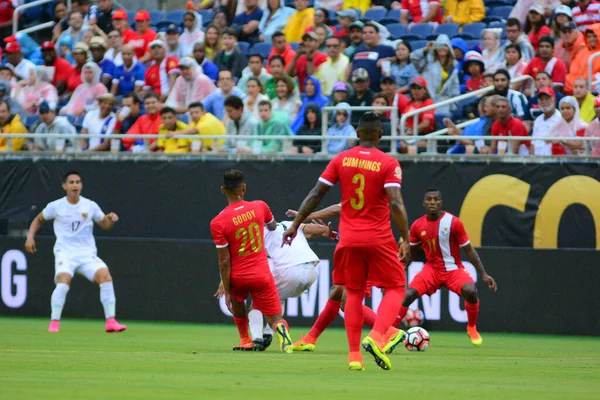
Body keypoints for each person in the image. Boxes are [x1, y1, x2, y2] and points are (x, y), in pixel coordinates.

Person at [283, 111, 411, 371]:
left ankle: (354, 356)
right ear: (381, 135)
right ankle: (378, 336)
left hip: (349, 239)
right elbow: (396, 203)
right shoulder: (388, 163)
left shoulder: (341, 159)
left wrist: (296, 225)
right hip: (378, 238)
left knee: (351, 293)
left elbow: (316, 193)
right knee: (396, 288)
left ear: (356, 133)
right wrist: (406, 238)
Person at [24, 171, 127, 333]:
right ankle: (54, 322)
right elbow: (38, 219)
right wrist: (30, 237)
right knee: (64, 280)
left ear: (81, 185)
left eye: (78, 182)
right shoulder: (56, 206)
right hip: (65, 253)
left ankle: (111, 321)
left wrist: (110, 219)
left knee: (105, 277)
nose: (75, 185)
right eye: (71, 182)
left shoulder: (90, 205)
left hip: (86, 254)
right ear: (65, 186)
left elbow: (105, 225)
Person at [396, 188, 497, 346]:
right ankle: (391, 332)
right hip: (432, 270)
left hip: (453, 269)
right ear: (424, 203)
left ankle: (471, 327)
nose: (432, 202)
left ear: (441, 203)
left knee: (470, 291)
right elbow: (412, 253)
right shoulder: (417, 226)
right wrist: (401, 270)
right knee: (407, 295)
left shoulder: (453, 222)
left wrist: (483, 274)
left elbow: (469, 250)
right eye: (429, 199)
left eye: (436, 199)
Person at [210, 169, 294, 352]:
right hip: (261, 273)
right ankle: (281, 330)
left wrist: (227, 288)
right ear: (244, 188)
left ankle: (245, 339)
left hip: (238, 275)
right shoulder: (259, 206)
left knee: (239, 305)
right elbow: (272, 226)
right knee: (275, 317)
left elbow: (224, 261)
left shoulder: (218, 222)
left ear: (223, 190)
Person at [245, 219, 337, 350]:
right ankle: (267, 335)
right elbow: (319, 229)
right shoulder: (289, 224)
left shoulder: (258, 234)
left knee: (257, 301)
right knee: (278, 297)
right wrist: (327, 232)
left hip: (289, 271)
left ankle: (257, 340)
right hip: (312, 270)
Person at [410, 34, 460, 114]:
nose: (442, 48)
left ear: (449, 48)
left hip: (443, 103)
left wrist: (453, 105)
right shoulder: (428, 60)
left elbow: (455, 88)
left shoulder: (453, 66)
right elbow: (413, 57)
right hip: (426, 99)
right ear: (435, 48)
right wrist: (426, 49)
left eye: (445, 45)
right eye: (439, 45)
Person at [347, 23, 395, 93]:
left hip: (376, 92)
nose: (367, 34)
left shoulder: (387, 49)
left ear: (378, 34)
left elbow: (398, 57)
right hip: (357, 91)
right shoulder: (357, 50)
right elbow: (350, 66)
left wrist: (389, 60)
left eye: (371, 32)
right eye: (364, 33)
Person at [531, 87, 573, 155]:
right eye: (541, 99)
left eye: (547, 99)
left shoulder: (561, 119)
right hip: (537, 160)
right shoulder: (537, 120)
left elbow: (570, 142)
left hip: (555, 161)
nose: (544, 102)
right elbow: (533, 144)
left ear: (555, 100)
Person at [565, 24, 600, 95]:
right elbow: (574, 70)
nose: (591, 39)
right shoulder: (583, 51)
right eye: (589, 37)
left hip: (594, 87)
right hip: (580, 83)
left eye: (594, 36)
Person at [403, 77, 435, 148]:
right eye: (414, 88)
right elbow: (404, 122)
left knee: (405, 145)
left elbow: (425, 124)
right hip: (408, 134)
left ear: (425, 90)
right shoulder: (408, 102)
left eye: (419, 88)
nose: (416, 91)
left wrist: (409, 133)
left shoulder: (428, 102)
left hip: (424, 136)